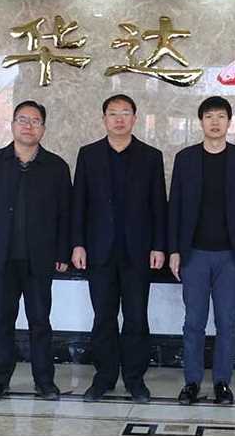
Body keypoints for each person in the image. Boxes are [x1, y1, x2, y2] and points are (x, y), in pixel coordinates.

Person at [0, 100, 71, 402]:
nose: (28, 126)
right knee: (2, 319)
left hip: (40, 259)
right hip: (1, 257)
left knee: (40, 321)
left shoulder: (56, 166)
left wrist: (62, 253)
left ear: (43, 128)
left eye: (35, 121)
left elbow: (65, 214)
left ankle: (45, 382)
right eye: (22, 120)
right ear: (13, 125)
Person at [71, 94, 167, 403]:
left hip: (138, 252)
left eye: (125, 113)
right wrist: (77, 243)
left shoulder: (151, 156)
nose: (119, 119)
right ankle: (104, 377)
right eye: (113, 113)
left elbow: (158, 205)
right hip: (99, 251)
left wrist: (159, 246)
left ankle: (135, 380)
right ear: (104, 119)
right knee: (104, 317)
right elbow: (79, 203)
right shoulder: (88, 155)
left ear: (135, 119)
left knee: (137, 317)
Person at [168, 96, 235, 405]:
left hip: (230, 256)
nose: (215, 122)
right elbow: (175, 206)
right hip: (193, 254)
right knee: (193, 321)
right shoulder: (186, 158)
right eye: (209, 116)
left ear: (229, 122)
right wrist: (174, 250)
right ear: (201, 122)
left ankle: (222, 382)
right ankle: (191, 382)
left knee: (227, 322)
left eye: (221, 116)